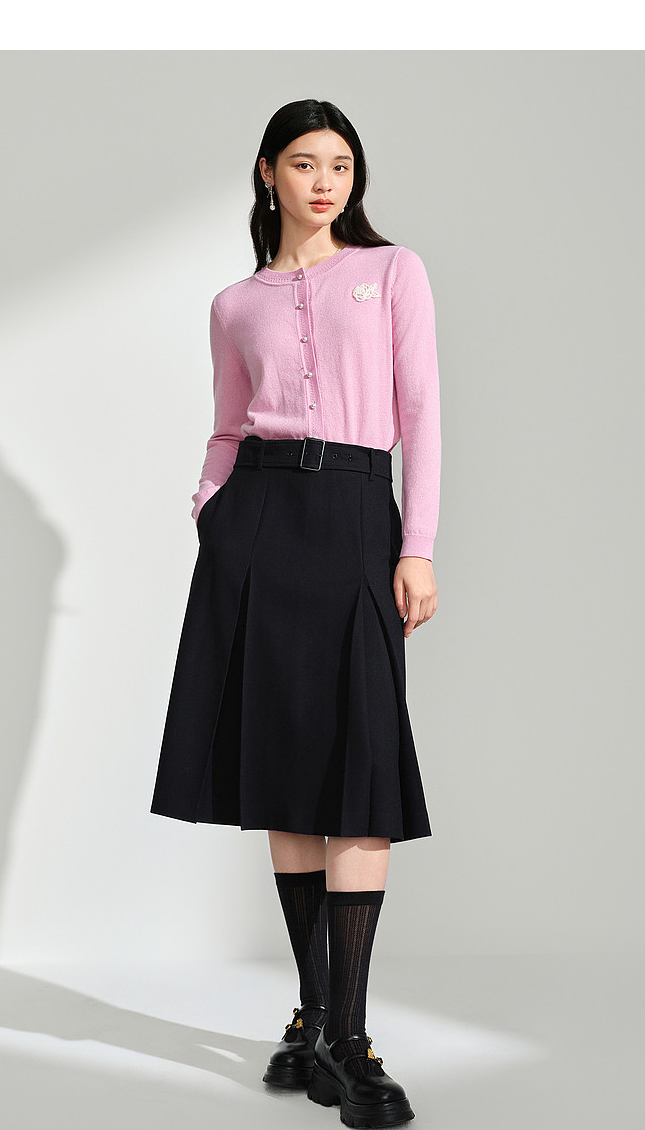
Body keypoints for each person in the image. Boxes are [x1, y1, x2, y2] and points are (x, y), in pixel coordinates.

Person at [150, 97, 441, 1127]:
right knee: (286, 770)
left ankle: (349, 1042)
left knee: (359, 772)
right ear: (269, 172)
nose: (326, 182)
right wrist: (212, 511)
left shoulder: (392, 272)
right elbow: (228, 426)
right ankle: (316, 1018)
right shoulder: (236, 303)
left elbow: (422, 414)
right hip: (259, 525)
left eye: (342, 164)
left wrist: (415, 545)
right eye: (306, 163)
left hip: (358, 514)